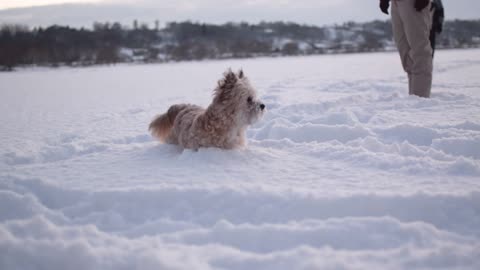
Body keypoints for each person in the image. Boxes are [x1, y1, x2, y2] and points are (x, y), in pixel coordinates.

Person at [380, 0, 433, 98]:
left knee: (419, 50)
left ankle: (420, 99)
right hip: (396, 3)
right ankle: (414, 97)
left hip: (412, 2)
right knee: (404, 50)